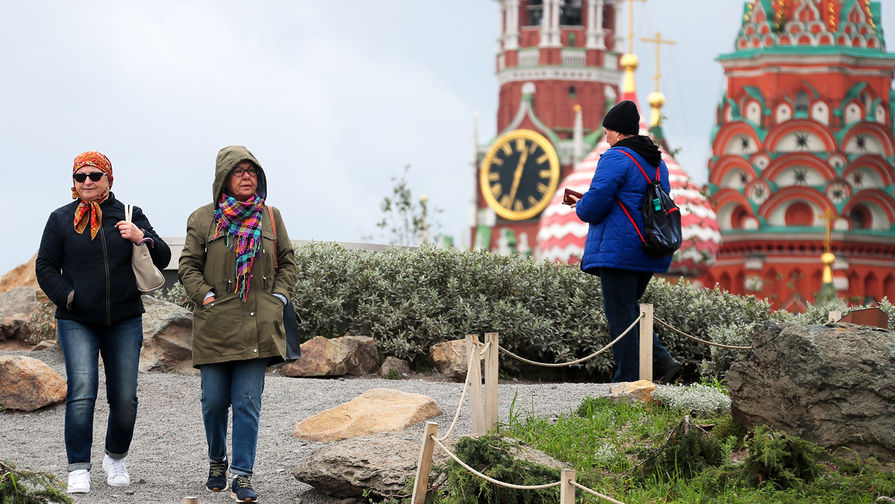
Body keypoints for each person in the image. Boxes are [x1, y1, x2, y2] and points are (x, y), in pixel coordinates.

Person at [35, 151, 171, 494]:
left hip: (124, 318)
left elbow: (164, 256)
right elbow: (45, 266)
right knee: (82, 392)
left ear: (109, 178)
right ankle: (78, 466)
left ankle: (115, 457)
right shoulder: (61, 219)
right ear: (74, 183)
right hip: (76, 319)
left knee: (125, 397)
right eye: (80, 177)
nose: (87, 182)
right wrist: (69, 296)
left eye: (95, 175)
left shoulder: (129, 214)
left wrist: (140, 237)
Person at [178, 145, 296, 503]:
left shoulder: (270, 217)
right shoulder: (203, 218)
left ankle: (242, 474)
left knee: (247, 402)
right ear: (223, 179)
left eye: (252, 171)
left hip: (257, 324)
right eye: (238, 171)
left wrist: (279, 297)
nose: (247, 176)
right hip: (215, 324)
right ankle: (217, 461)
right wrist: (206, 297)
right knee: (214, 401)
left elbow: (288, 262)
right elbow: (187, 267)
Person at [570, 100, 681, 383]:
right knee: (630, 309)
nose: (605, 138)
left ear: (618, 133)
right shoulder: (657, 162)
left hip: (619, 250)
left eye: (607, 132)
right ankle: (663, 361)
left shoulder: (616, 156)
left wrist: (580, 207)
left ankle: (628, 377)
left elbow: (596, 204)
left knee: (620, 314)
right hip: (650, 246)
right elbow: (635, 200)